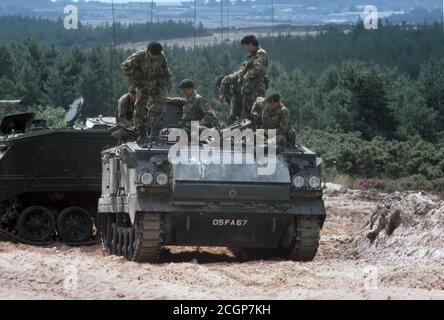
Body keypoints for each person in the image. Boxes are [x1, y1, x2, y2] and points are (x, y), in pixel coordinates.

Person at [121, 42, 172, 140]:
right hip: (142, 85)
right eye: (153, 55)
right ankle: (142, 134)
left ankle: (155, 133)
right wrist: (132, 81)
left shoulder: (161, 56)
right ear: (148, 51)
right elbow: (124, 66)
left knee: (160, 107)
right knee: (139, 109)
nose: (155, 57)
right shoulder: (139, 56)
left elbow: (166, 71)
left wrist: (167, 87)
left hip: (156, 85)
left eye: (157, 55)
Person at [221, 35, 268, 120]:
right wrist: (233, 76)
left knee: (256, 114)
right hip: (247, 91)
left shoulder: (261, 53)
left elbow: (257, 68)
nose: (246, 49)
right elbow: (242, 70)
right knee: (248, 116)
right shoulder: (251, 56)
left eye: (246, 46)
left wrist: (247, 75)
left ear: (250, 44)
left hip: (256, 90)